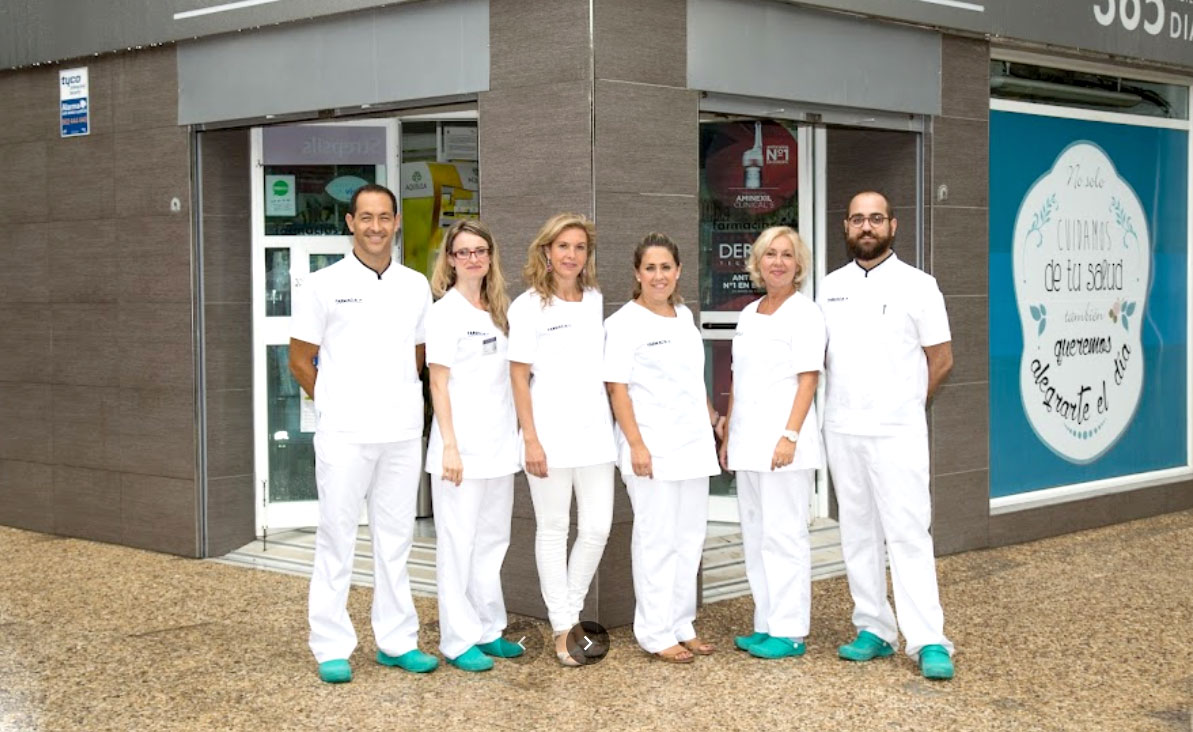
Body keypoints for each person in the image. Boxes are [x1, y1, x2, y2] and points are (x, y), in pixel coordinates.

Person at [289, 183, 439, 683]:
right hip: (345, 435)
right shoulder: (323, 284)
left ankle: (396, 641)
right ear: (351, 223)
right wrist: (335, 405)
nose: (376, 227)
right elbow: (299, 359)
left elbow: (419, 354)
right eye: (366, 217)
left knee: (395, 541)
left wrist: (396, 398)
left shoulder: (415, 285)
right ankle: (330, 645)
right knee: (337, 538)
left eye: (384, 217)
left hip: (400, 433)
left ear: (396, 222)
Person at [819, 191, 956, 681]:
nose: (866, 227)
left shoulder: (920, 285)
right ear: (846, 226)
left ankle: (928, 640)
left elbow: (941, 359)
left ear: (893, 226)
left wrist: (909, 404)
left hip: (897, 433)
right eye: (858, 219)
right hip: (843, 429)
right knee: (857, 532)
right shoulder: (829, 288)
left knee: (908, 533)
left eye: (876, 218)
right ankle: (873, 627)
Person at [604, 233, 721, 664]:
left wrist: (713, 419)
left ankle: (681, 623)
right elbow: (617, 388)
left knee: (689, 539)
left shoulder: (684, 316)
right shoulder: (623, 323)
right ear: (637, 273)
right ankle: (654, 632)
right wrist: (636, 444)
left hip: (693, 445)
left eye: (666, 267)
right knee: (656, 540)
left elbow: (692, 381)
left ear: (678, 271)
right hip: (651, 447)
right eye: (650, 268)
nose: (659, 276)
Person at [507, 213, 617, 667]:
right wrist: (531, 439)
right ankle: (563, 626)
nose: (572, 254)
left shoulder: (594, 300)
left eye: (580, 247)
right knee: (553, 529)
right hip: (548, 435)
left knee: (597, 527)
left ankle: (570, 610)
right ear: (547, 252)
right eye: (563, 246)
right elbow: (518, 377)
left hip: (595, 434)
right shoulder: (527, 306)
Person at [719, 226, 826, 661]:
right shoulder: (750, 313)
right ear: (758, 263)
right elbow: (738, 379)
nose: (778, 262)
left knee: (785, 537)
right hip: (747, 443)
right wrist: (729, 434)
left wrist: (790, 436)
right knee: (756, 537)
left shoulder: (805, 313)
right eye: (770, 254)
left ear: (798, 265)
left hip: (784, 446)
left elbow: (808, 380)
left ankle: (790, 630)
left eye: (786, 255)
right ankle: (765, 623)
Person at [425, 220, 524, 672]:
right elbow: (438, 383)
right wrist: (449, 446)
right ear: (450, 259)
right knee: (457, 545)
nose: (472, 258)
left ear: (490, 256)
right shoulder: (444, 312)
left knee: (492, 542)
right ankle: (457, 639)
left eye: (480, 250)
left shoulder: (499, 309)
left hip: (498, 446)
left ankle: (488, 629)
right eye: (463, 252)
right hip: (459, 451)